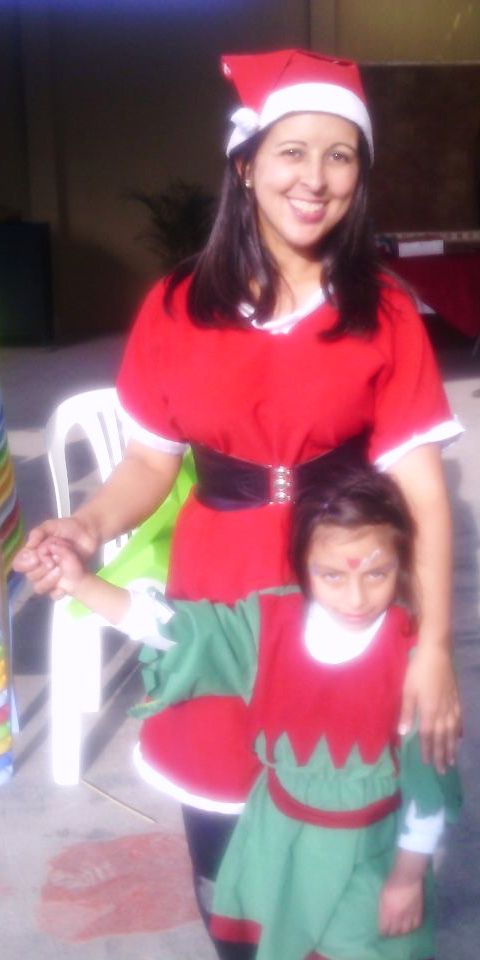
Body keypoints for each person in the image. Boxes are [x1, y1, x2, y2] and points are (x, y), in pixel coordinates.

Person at [14, 48, 463, 956]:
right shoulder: (180, 304)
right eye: (291, 151)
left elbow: (421, 488)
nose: (314, 178)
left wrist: (436, 648)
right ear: (247, 163)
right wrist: (87, 528)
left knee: (349, 799)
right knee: (223, 791)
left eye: (340, 155)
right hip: (219, 575)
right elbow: (150, 462)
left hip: (343, 582)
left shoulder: (383, 310)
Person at [36, 466, 461, 960]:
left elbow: (429, 790)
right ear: (303, 565)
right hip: (277, 849)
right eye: (332, 575)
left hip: (371, 860)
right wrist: (82, 583)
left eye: (376, 573)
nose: (356, 597)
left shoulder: (415, 662)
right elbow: (176, 629)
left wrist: (407, 879)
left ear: (402, 564)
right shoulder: (268, 624)